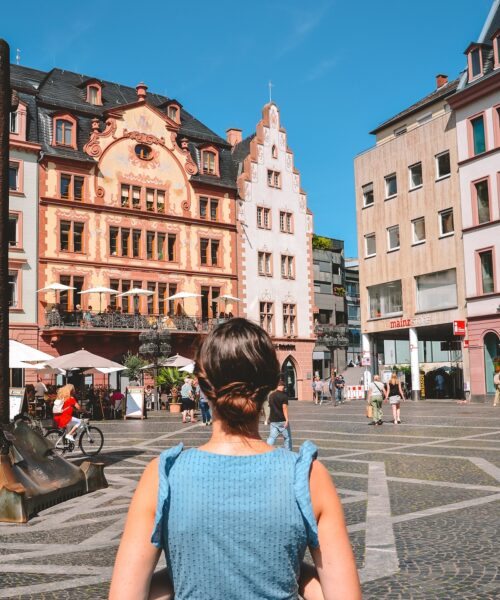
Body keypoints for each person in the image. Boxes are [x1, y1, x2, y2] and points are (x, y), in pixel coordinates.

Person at [110, 318, 361, 600]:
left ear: (203, 389)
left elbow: (126, 594)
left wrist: (185, 573)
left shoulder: (162, 476)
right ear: (270, 387)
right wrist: (293, 572)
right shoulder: (309, 476)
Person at [267, 380, 292, 451]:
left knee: (272, 437)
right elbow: (284, 408)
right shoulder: (284, 396)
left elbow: (270, 408)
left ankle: (266, 450)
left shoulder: (271, 396)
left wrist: (269, 418)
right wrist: (287, 420)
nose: (284, 388)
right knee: (287, 438)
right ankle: (288, 452)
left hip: (273, 420)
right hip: (282, 420)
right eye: (283, 386)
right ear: (281, 386)